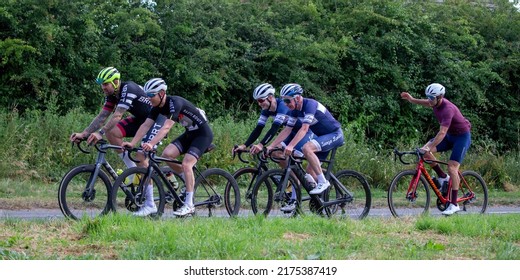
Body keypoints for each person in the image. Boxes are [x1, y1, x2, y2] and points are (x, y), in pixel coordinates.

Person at [69, 67, 165, 216]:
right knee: (111, 132)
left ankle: (150, 204)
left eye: (105, 84)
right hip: (141, 120)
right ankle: (133, 170)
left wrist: (99, 133)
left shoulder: (129, 88)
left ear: (115, 81)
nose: (103, 87)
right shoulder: (112, 94)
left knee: (140, 155)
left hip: (157, 121)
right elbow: (102, 117)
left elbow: (117, 115)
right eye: (101, 84)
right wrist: (84, 133)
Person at [122, 78, 213, 217]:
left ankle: (189, 205)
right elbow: (146, 125)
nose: (149, 98)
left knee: (187, 163)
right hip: (189, 134)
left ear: (162, 93)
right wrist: (133, 143)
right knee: (167, 155)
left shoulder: (174, 103)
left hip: (203, 135)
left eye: (151, 95)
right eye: (147, 95)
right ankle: (186, 180)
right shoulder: (157, 107)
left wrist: (151, 144)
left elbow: (166, 127)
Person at [401, 83, 471, 216]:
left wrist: (431, 147)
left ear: (440, 97)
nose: (429, 100)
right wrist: (411, 99)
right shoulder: (434, 102)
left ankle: (454, 204)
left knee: (452, 167)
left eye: (432, 98)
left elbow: (442, 133)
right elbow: (425, 102)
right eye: (428, 97)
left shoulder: (447, 109)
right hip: (450, 136)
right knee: (425, 152)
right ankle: (443, 177)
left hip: (461, 137)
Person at [266, 83, 344, 198]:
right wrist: (272, 146)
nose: (286, 104)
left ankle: (323, 182)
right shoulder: (295, 110)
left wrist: (291, 145)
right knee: (310, 171)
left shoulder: (310, 105)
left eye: (288, 101)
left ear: (297, 98)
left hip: (334, 134)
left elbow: (304, 128)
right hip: (322, 137)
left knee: (306, 148)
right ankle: (324, 199)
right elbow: (287, 130)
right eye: (284, 102)